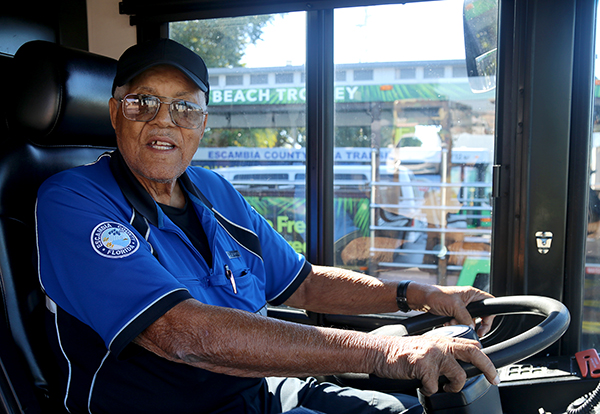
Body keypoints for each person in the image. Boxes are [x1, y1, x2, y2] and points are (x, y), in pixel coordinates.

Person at [35, 38, 499, 414]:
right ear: (116, 113)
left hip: (256, 393)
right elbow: (181, 334)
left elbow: (305, 284)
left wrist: (421, 294)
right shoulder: (72, 200)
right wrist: (381, 352)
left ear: (202, 124)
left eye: (185, 108)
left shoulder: (213, 190)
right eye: (143, 103)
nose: (164, 120)